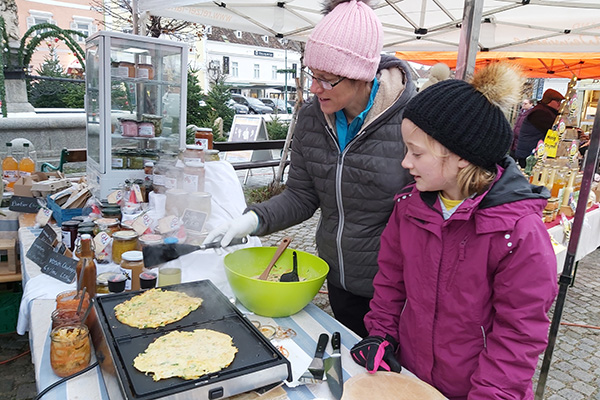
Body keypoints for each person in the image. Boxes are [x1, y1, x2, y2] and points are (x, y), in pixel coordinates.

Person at [205, 0, 416, 337]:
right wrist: (252, 219)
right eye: (312, 75)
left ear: (361, 76)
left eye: (327, 79)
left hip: (396, 291)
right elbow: (303, 196)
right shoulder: (312, 117)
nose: (315, 88)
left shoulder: (412, 120)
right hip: (338, 281)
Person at [350, 64, 558, 399]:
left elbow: (518, 334)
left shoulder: (518, 234)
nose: (406, 162)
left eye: (416, 152)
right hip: (414, 380)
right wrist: (381, 335)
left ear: (461, 156)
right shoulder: (409, 208)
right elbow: (391, 281)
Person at [515, 89, 564, 167]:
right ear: (549, 101)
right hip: (530, 155)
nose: (560, 104)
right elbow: (554, 129)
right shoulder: (540, 112)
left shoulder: (544, 110)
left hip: (532, 153)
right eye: (557, 101)